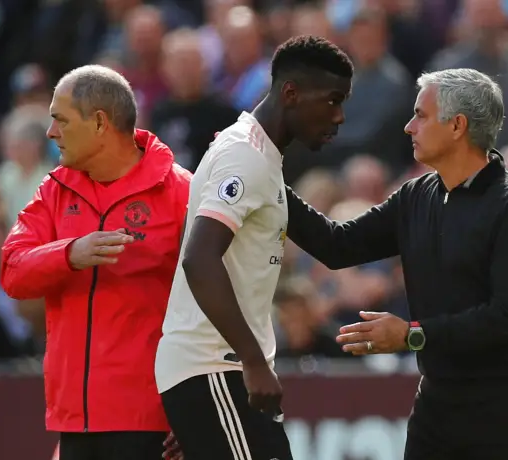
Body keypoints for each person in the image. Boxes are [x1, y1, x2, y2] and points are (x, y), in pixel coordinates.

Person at [284, 68, 508, 459]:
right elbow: (337, 245)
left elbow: (506, 318)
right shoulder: (416, 195)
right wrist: (270, 185)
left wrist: (412, 334)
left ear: (458, 125)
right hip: (437, 406)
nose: (410, 127)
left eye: (421, 115)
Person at [155, 35, 353, 460]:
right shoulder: (245, 155)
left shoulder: (262, 158)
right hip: (217, 366)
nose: (339, 116)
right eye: (332, 101)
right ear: (291, 93)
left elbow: (334, 244)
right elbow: (199, 257)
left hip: (217, 375)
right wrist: (253, 362)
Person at [0, 65, 191, 460]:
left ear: (100, 123)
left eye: (61, 120)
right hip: (73, 420)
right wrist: (69, 254)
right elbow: (13, 270)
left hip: (152, 422)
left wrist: (195, 410)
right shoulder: (54, 189)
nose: (50, 133)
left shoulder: (181, 193)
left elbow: (214, 304)